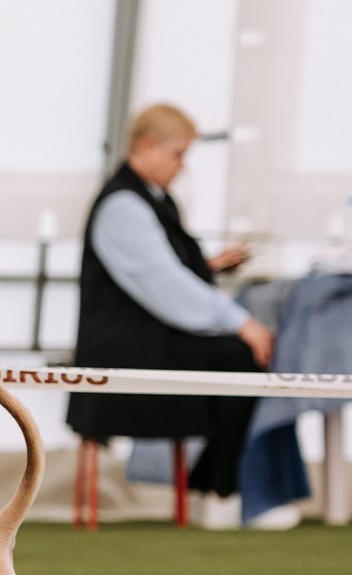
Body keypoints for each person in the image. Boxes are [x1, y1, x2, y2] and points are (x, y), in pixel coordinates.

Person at [67, 104, 270, 499]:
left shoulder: (152, 199)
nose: (182, 167)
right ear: (148, 145)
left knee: (240, 358)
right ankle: (222, 490)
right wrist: (240, 322)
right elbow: (162, 285)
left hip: (150, 336)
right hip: (127, 349)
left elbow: (159, 272)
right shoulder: (122, 205)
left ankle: (217, 483)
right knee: (241, 358)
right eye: (179, 155)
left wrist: (206, 266)